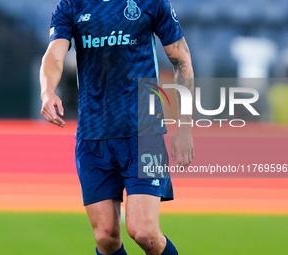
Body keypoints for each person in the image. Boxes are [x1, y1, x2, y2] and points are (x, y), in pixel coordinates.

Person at [40, 0, 194, 254]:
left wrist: (185, 125)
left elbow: (182, 59)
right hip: (93, 134)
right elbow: (54, 54)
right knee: (106, 237)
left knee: (144, 232)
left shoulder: (150, 2)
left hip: (144, 131)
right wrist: (47, 91)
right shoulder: (72, 4)